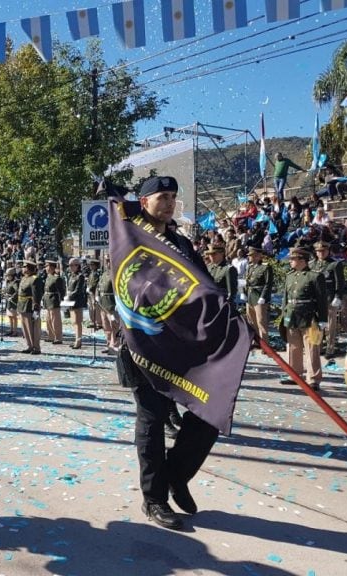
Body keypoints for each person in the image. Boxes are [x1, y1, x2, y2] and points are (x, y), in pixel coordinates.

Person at [116, 175, 220, 531]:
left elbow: (208, 288)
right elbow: (123, 286)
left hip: (181, 346)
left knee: (209, 413)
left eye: (173, 197)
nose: (170, 202)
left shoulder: (180, 243)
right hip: (144, 344)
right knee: (153, 417)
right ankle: (154, 499)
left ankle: (176, 475)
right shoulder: (131, 239)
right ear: (144, 202)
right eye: (162, 196)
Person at [280, 247, 327, 391]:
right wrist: (284, 314)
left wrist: (323, 319)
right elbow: (285, 298)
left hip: (308, 316)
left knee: (312, 347)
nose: (291, 262)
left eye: (293, 259)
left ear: (302, 260)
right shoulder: (290, 275)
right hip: (292, 315)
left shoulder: (314, 276)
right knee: (293, 347)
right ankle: (295, 375)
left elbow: (321, 299)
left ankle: (313, 378)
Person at [310, 241, 344, 362]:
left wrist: (338, 297)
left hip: (329, 298)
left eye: (323, 251)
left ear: (328, 251)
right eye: (318, 251)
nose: (321, 253)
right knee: (317, 324)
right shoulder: (312, 264)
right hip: (316, 299)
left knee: (330, 325)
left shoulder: (334, 264)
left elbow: (340, 282)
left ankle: (330, 348)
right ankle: (318, 347)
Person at [244, 247, 273, 343]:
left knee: (261, 322)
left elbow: (268, 283)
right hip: (250, 296)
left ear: (257, 256)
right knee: (251, 322)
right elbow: (247, 282)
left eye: (251, 256)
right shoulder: (250, 267)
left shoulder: (265, 267)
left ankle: (265, 345)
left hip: (259, 296)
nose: (249, 257)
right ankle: (255, 342)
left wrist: (263, 297)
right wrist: (244, 292)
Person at [16, 259, 43, 354]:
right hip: (22, 305)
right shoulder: (24, 278)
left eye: (24, 267)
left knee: (33, 327)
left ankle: (36, 347)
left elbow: (37, 294)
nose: (23, 268)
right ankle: (29, 345)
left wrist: (36, 307)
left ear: (29, 268)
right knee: (25, 327)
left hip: (29, 305)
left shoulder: (35, 279)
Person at [96, 255, 119, 353]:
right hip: (103, 303)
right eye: (106, 261)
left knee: (114, 325)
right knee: (106, 326)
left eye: (109, 261)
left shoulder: (115, 273)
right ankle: (108, 343)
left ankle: (115, 344)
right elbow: (98, 286)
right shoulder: (104, 274)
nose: (108, 263)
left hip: (111, 303)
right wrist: (97, 295)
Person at [66, 257, 88, 349]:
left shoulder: (80, 276)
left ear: (77, 266)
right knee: (73, 321)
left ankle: (78, 341)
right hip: (71, 301)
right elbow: (69, 288)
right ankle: (76, 339)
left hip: (77, 301)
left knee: (77, 321)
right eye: (69, 265)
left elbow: (78, 290)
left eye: (72, 265)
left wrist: (69, 296)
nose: (70, 267)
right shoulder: (71, 275)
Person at [42, 259, 65, 344]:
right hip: (47, 299)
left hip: (54, 299)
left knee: (55, 319)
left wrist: (61, 300)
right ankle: (51, 336)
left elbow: (61, 291)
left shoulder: (57, 278)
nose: (46, 268)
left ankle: (58, 337)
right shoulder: (48, 276)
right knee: (48, 319)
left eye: (47, 266)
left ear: (52, 267)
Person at [2, 267, 19, 337]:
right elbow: (6, 290)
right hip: (8, 301)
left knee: (14, 317)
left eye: (8, 275)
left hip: (13, 301)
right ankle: (11, 329)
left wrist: (12, 297)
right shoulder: (8, 282)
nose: (7, 277)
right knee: (10, 316)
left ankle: (15, 331)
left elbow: (17, 291)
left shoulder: (15, 282)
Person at [86, 258, 102, 329]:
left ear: (96, 266)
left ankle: (97, 322)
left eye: (92, 265)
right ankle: (93, 321)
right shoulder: (91, 273)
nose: (90, 266)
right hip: (90, 293)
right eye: (90, 265)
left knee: (95, 307)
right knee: (91, 307)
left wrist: (90, 287)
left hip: (94, 292)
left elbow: (95, 283)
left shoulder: (96, 274)